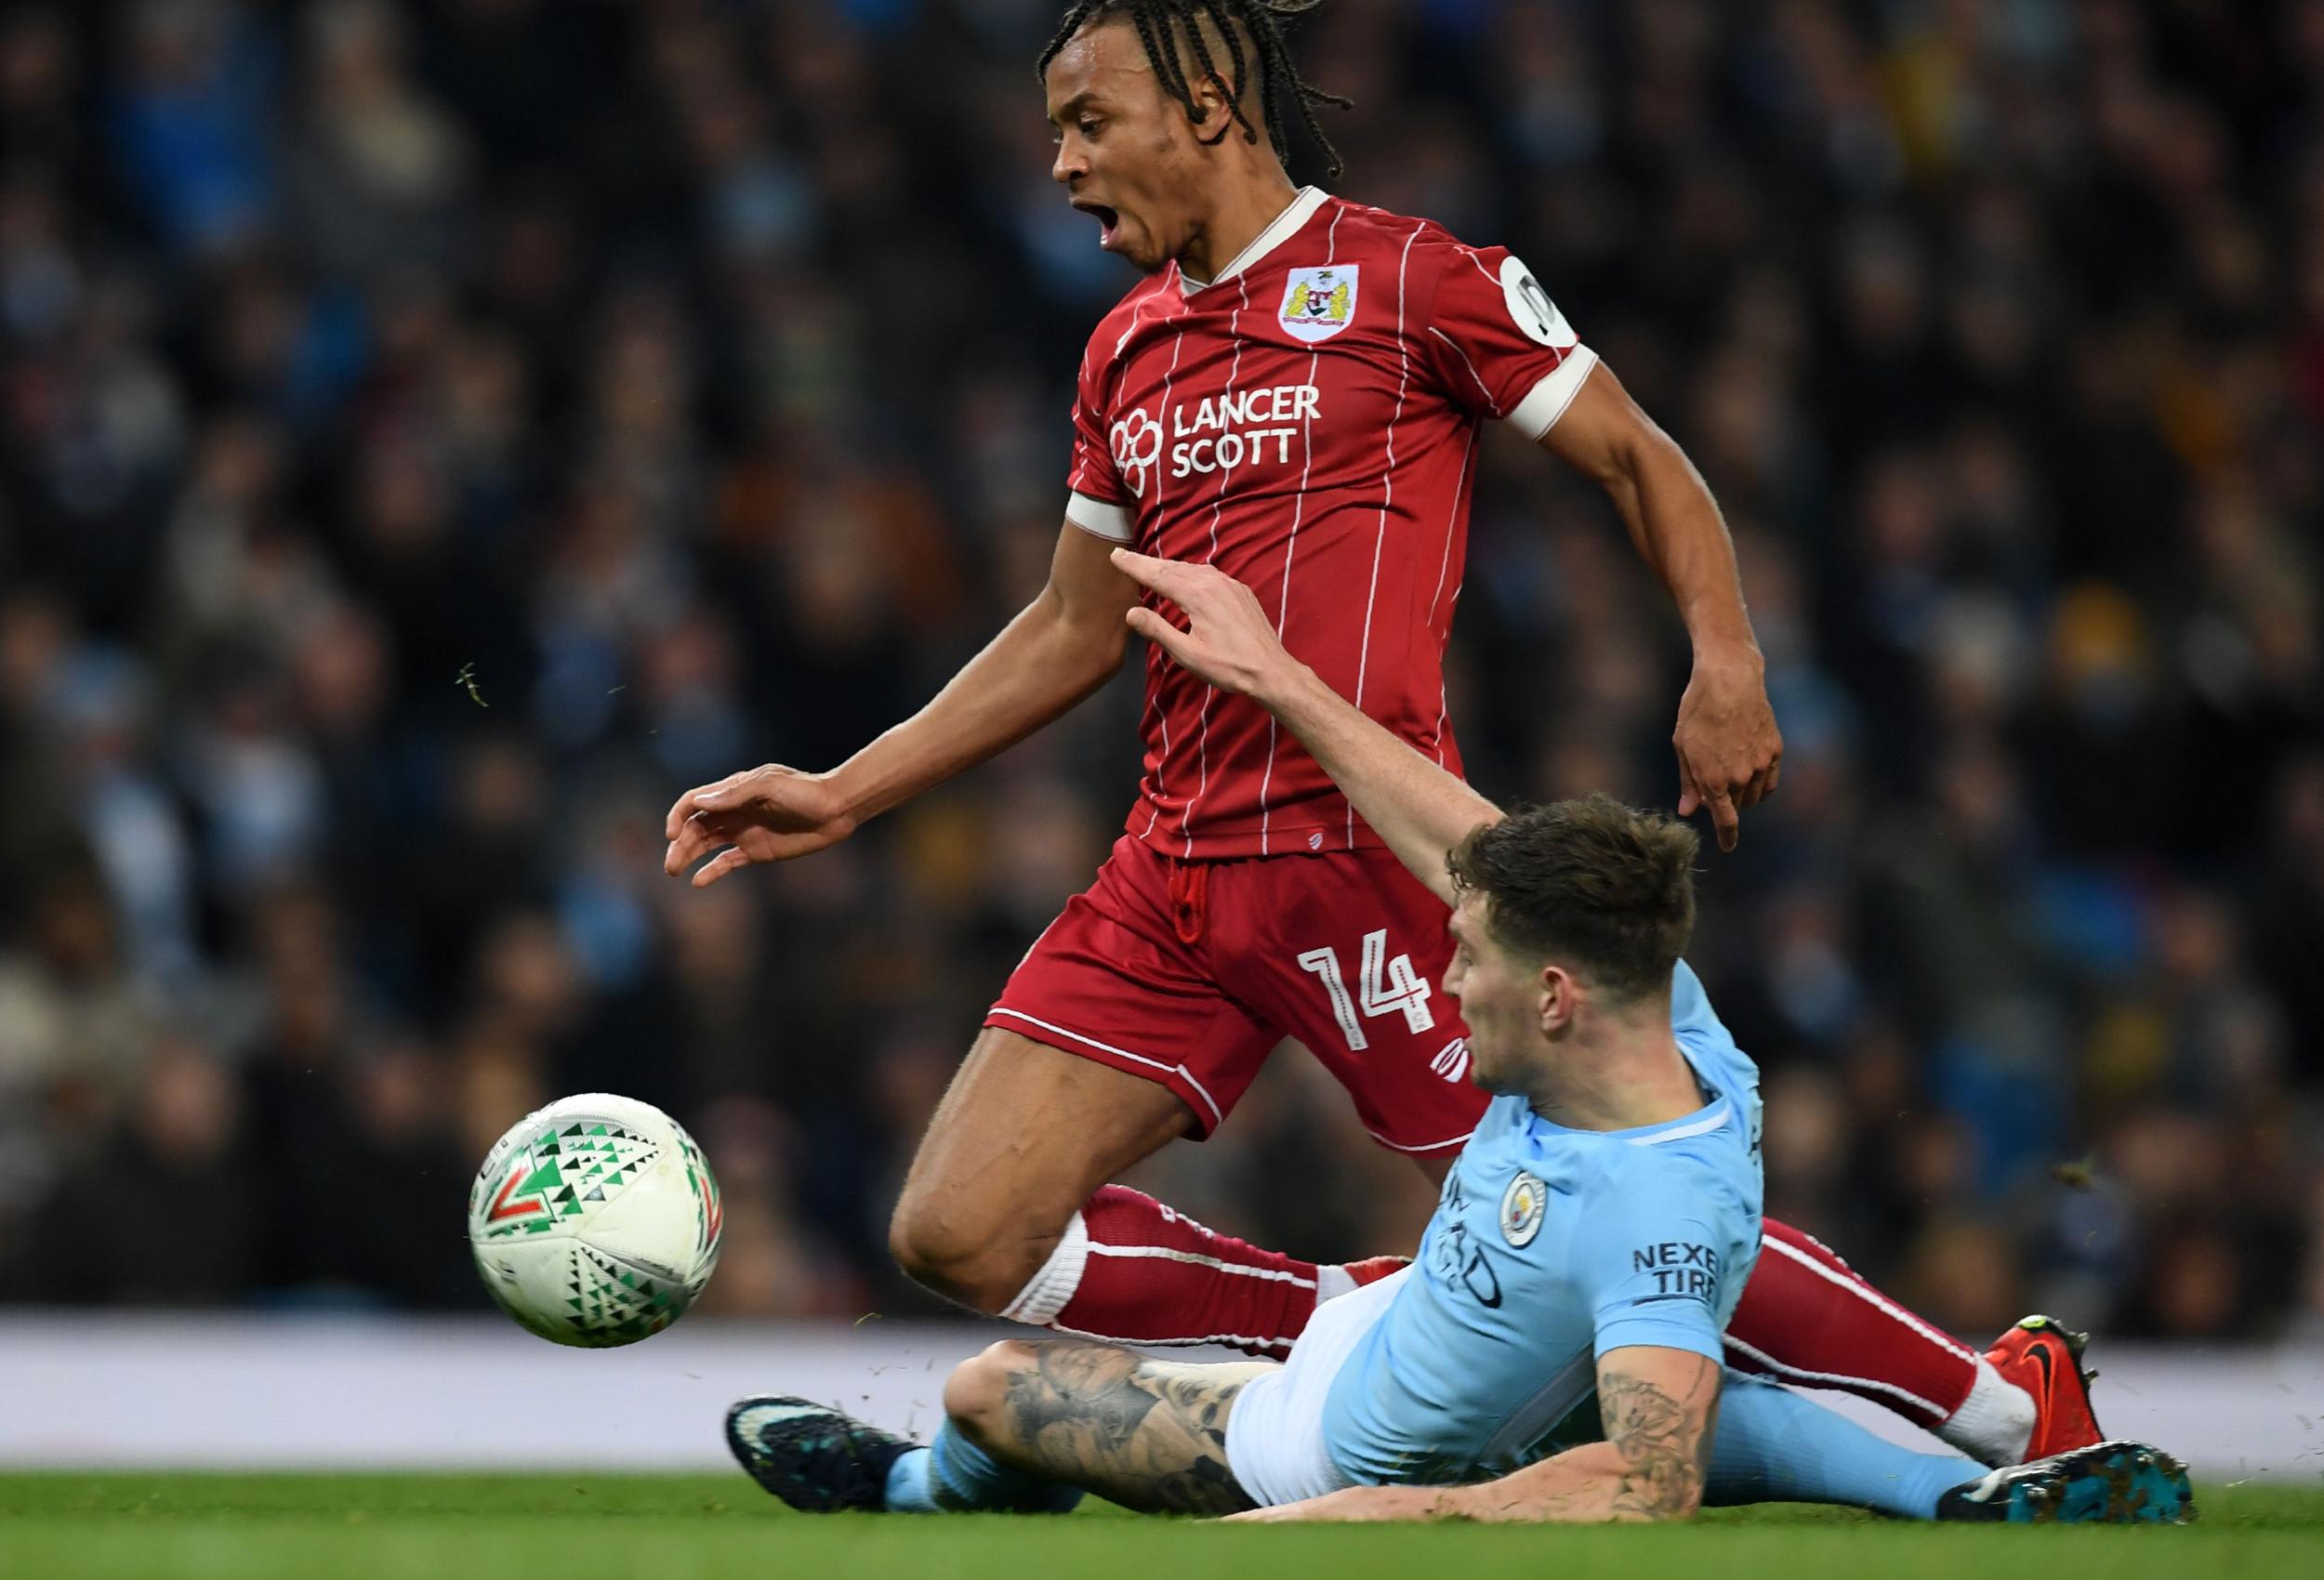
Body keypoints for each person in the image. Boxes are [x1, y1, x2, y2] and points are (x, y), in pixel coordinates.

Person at [665, 0, 2085, 1469]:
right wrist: (844, 787)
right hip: (1174, 873)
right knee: (955, 1231)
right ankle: (1337, 1320)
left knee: (1621, 1207)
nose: (1062, 164)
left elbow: (1636, 454)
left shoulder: (1415, 279)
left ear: (1206, 102)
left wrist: (1725, 656)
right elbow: (1076, 626)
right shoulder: (1124, 349)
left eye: (1088, 120)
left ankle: (2003, 1402)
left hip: (1375, 858)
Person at [723, 551, 2191, 1527]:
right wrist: (1287, 685)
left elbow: (1651, 1485)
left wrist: (1374, 1517)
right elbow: (1480, 848)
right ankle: (1984, 1472)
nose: (1447, 975)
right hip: (1410, 1327)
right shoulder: (1674, 1027)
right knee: (1725, 1410)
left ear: (1551, 993)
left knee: (991, 1392)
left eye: (1469, 962)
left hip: (1327, 1445)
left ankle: (916, 1496)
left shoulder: (1654, 1206)